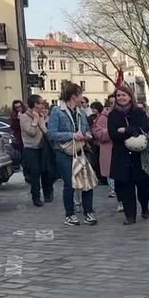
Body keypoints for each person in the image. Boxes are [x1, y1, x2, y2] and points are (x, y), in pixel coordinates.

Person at [47, 83, 97, 226]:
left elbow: (87, 130)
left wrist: (86, 135)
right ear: (74, 96)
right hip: (65, 152)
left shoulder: (80, 112)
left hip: (80, 150)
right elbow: (52, 134)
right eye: (80, 94)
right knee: (70, 184)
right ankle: (70, 214)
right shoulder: (57, 111)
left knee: (87, 181)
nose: (81, 97)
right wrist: (72, 135)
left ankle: (88, 212)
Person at [108, 85, 149, 225]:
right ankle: (130, 216)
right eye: (118, 95)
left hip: (138, 156)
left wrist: (126, 130)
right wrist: (130, 134)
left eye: (123, 95)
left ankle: (144, 207)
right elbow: (113, 134)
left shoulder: (138, 112)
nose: (121, 98)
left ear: (130, 96)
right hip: (122, 155)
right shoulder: (113, 114)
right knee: (126, 189)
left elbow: (143, 129)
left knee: (143, 187)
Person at [18, 95, 54, 207]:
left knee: (45, 171)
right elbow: (31, 132)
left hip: (42, 147)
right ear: (35, 104)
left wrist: (42, 120)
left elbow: (46, 132)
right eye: (41, 103)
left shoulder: (42, 115)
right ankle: (36, 197)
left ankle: (48, 193)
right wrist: (35, 120)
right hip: (30, 148)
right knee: (35, 172)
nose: (43, 105)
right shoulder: (24, 117)